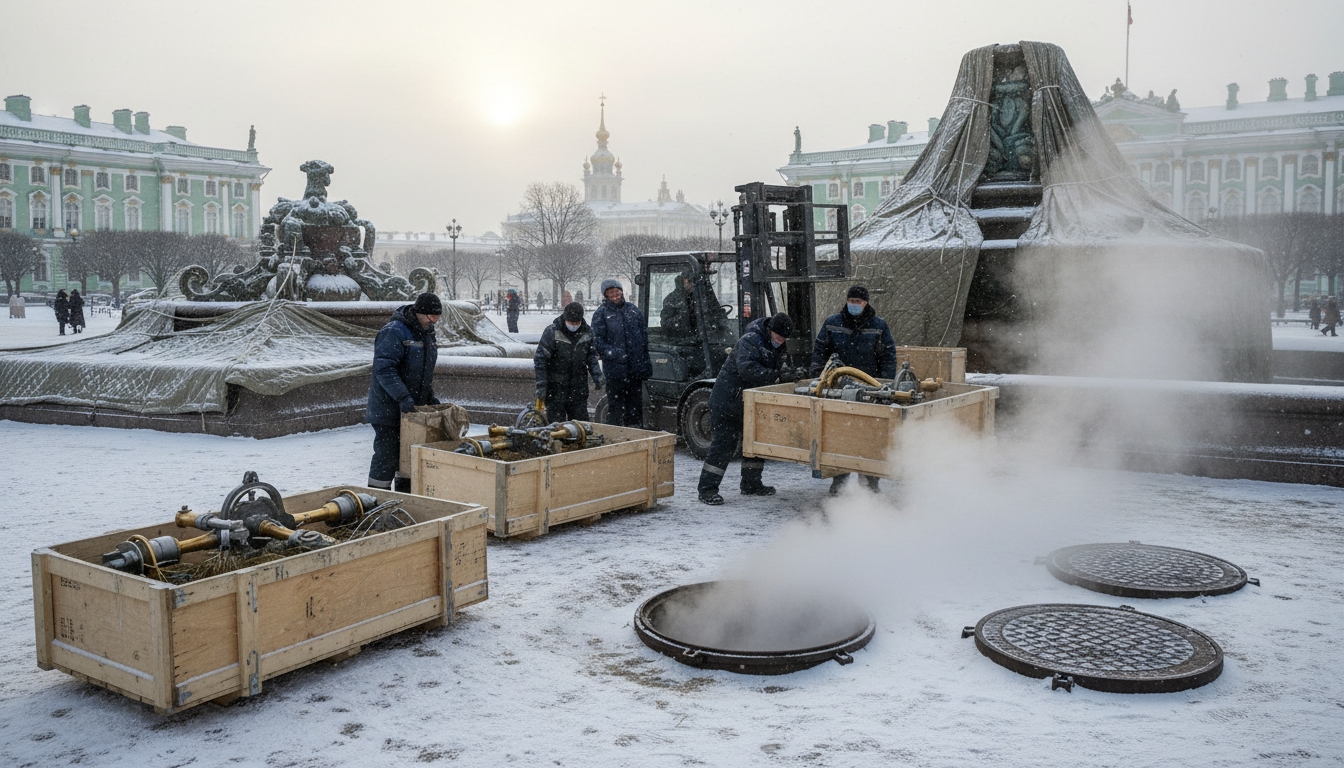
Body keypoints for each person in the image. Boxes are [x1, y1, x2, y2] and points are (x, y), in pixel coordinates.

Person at [697, 313, 794, 505]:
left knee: (755, 442)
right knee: (724, 444)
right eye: (778, 337)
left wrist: (788, 373)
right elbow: (747, 370)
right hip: (728, 401)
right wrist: (776, 376)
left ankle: (751, 484)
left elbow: (777, 366)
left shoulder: (777, 344)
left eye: (783, 339)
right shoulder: (750, 341)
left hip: (749, 402)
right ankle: (707, 489)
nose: (780, 342)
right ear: (770, 330)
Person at [809, 285, 898, 494]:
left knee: (871, 436)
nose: (854, 305)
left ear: (865, 303)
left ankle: (870, 482)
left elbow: (888, 356)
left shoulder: (879, 326)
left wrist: (884, 382)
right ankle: (839, 480)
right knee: (840, 435)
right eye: (851, 301)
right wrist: (816, 372)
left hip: (869, 388)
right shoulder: (832, 323)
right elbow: (820, 350)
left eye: (858, 302)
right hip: (838, 386)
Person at [366, 293, 442, 491]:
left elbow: (423, 372)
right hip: (388, 410)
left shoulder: (427, 333)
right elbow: (384, 369)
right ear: (418, 312)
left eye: (437, 317)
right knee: (387, 456)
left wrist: (428, 396)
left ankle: (404, 497)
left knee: (409, 455)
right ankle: (376, 498)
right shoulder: (394, 331)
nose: (433, 321)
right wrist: (402, 396)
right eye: (430, 316)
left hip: (410, 410)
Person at [591, 278, 651, 427]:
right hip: (615, 371)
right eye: (611, 293)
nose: (615, 295)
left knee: (635, 408)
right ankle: (614, 433)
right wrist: (615, 354)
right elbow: (597, 341)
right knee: (615, 407)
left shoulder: (633, 310)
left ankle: (635, 432)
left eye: (617, 292)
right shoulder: (601, 314)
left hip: (635, 370)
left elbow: (643, 338)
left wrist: (644, 363)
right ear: (606, 295)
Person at [534, 302, 603, 422]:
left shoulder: (587, 332)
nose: (574, 325)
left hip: (578, 388)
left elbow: (591, 357)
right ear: (565, 318)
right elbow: (541, 360)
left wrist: (597, 376)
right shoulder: (552, 332)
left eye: (576, 323)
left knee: (580, 424)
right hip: (555, 388)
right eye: (571, 323)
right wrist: (542, 385)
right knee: (557, 425)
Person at [660, 272, 699, 340]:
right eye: (689, 281)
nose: (692, 284)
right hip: (679, 341)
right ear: (683, 281)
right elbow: (665, 323)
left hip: (698, 339)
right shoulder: (672, 299)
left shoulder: (698, 298)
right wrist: (682, 321)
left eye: (693, 282)